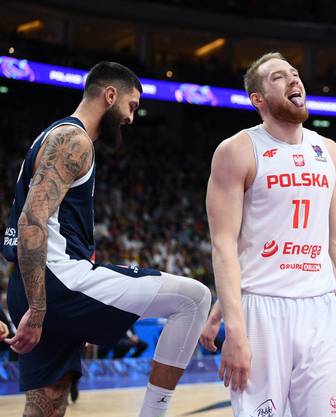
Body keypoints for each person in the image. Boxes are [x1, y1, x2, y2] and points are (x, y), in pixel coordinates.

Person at [1, 61, 211, 417]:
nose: (132, 117)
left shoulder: (52, 135)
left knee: (48, 403)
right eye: (132, 105)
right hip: (56, 282)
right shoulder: (73, 139)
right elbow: (31, 219)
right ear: (110, 95)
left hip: (31, 282)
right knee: (194, 299)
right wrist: (40, 310)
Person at [205, 52, 336, 417]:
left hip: (319, 308)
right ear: (257, 99)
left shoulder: (328, 151)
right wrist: (235, 329)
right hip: (261, 308)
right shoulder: (237, 151)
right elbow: (223, 245)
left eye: (294, 74)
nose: (294, 80)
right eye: (279, 77)